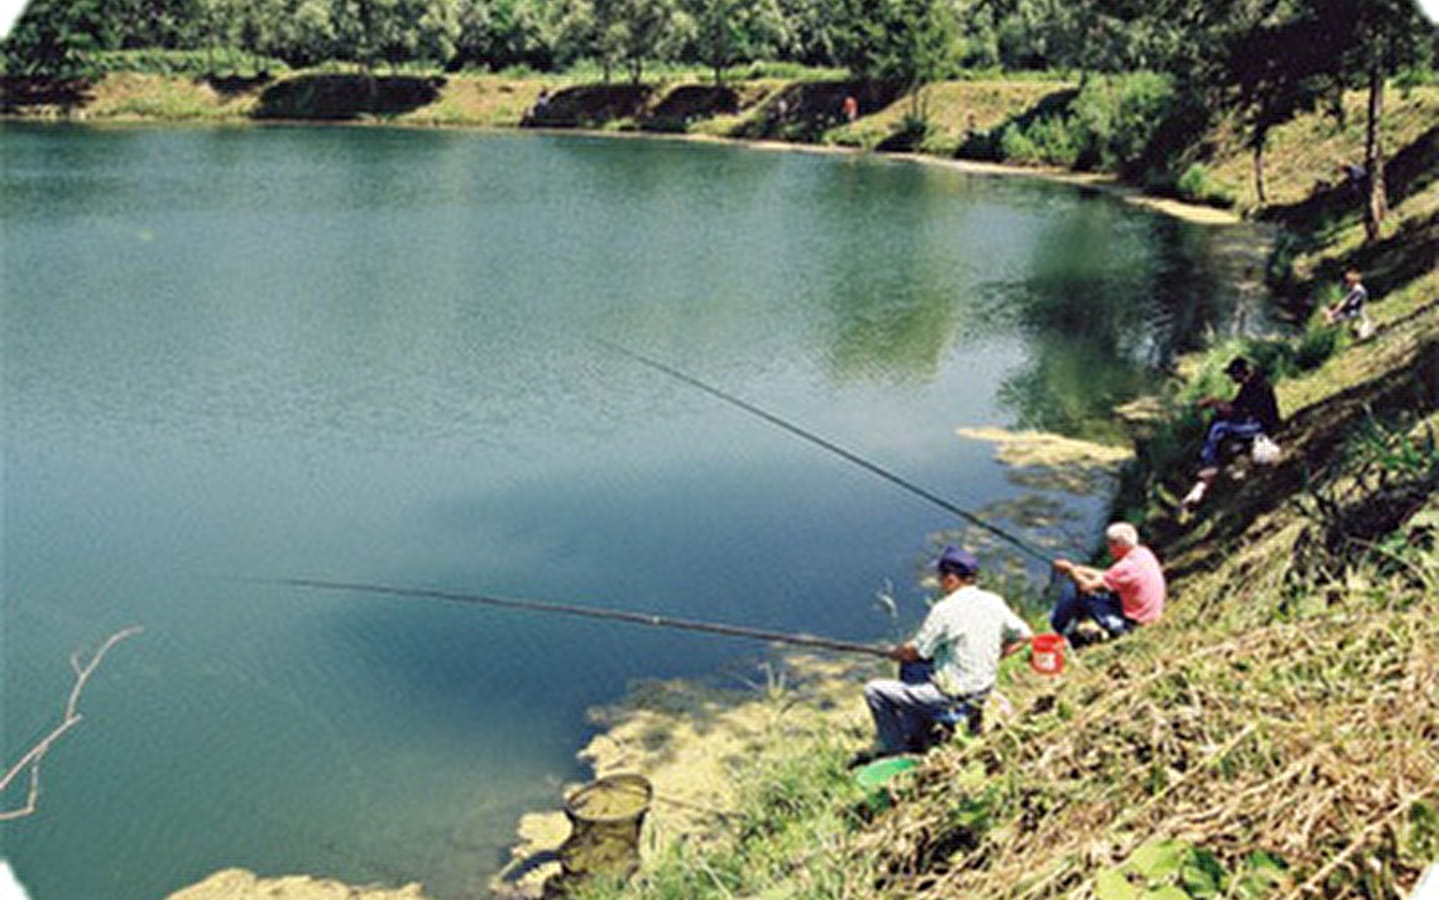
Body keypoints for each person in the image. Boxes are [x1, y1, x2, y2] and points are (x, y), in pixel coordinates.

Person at [853, 547, 1031, 764]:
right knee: (913, 671)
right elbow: (1025, 636)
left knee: (874, 690)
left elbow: (916, 652)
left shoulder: (944, 609)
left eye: (940, 576)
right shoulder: (994, 601)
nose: (938, 581)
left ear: (951, 578)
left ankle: (896, 751)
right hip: (983, 689)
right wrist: (996, 656)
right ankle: (920, 733)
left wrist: (897, 653)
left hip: (953, 696)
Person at [1181, 356, 1281, 510]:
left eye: (1233, 374)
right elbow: (1236, 406)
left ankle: (1209, 464)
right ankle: (1209, 459)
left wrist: (1214, 402)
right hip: (1252, 421)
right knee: (1217, 422)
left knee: (1219, 429)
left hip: (1261, 425)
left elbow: (1239, 412)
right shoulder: (1248, 385)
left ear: (1240, 373)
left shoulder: (1258, 386)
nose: (1232, 378)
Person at [1050, 522, 1165, 643]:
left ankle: (1056, 629)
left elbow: (1086, 587)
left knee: (1074, 589)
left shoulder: (1125, 567)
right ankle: (1066, 625)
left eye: (1110, 544)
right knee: (1094, 592)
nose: (1109, 549)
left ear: (1118, 545)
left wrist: (1070, 571)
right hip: (1150, 616)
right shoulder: (1143, 553)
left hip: (1131, 626)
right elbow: (1108, 576)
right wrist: (1080, 569)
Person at [1323, 268, 1373, 338]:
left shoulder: (1357, 290)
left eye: (1347, 282)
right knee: (1328, 310)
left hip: (1355, 312)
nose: (1346, 284)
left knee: (1327, 311)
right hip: (1357, 311)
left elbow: (1345, 303)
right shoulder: (1358, 289)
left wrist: (1334, 313)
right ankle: (1358, 334)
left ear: (1352, 281)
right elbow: (1347, 302)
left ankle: (1331, 320)